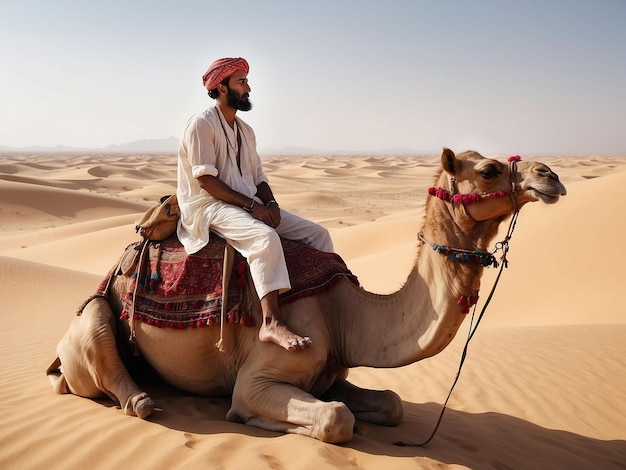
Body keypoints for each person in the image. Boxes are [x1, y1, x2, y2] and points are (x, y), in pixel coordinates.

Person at [176, 57, 334, 352]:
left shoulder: (245, 131)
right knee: (265, 238)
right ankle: (271, 322)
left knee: (319, 234)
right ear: (221, 87)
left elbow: (258, 177)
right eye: (241, 82)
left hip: (248, 202)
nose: (249, 88)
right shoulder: (201, 124)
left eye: (247, 81)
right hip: (210, 207)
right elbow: (206, 181)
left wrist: (270, 203)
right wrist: (252, 207)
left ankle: (325, 305)